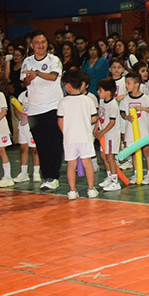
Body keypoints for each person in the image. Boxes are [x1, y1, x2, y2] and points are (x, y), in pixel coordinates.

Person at [21, 31, 64, 191]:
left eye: (43, 42)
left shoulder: (54, 60)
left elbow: (54, 77)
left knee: (54, 142)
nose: (41, 45)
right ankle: (47, 175)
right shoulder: (27, 61)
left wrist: (37, 73)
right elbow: (24, 83)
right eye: (37, 42)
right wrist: (28, 79)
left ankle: (53, 176)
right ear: (31, 45)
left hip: (53, 106)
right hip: (34, 109)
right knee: (41, 144)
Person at [57, 70, 99, 200]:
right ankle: (91, 189)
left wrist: (67, 133)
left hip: (70, 138)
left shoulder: (63, 102)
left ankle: (72, 191)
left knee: (71, 164)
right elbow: (94, 118)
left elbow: (60, 121)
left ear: (68, 85)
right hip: (85, 137)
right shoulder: (87, 100)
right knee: (87, 163)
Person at [120, 72, 149, 187]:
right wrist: (126, 117)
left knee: (146, 151)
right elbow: (122, 112)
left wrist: (142, 108)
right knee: (134, 154)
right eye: (126, 83)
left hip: (143, 131)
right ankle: (137, 173)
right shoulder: (126, 99)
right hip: (131, 131)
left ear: (136, 84)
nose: (126, 86)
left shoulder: (145, 98)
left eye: (128, 83)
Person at [95, 78, 122, 192]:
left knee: (110, 157)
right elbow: (100, 115)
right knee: (103, 155)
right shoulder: (102, 101)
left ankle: (115, 182)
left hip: (111, 134)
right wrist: (97, 127)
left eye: (100, 90)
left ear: (108, 92)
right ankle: (110, 176)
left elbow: (112, 122)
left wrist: (102, 133)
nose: (98, 92)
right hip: (104, 133)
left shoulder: (113, 105)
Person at [12, 89, 41, 184]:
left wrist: (29, 119)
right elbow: (17, 107)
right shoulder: (22, 94)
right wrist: (21, 118)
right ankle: (24, 173)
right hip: (22, 125)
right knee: (23, 148)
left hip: (32, 125)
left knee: (35, 149)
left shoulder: (38, 94)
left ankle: (36, 172)